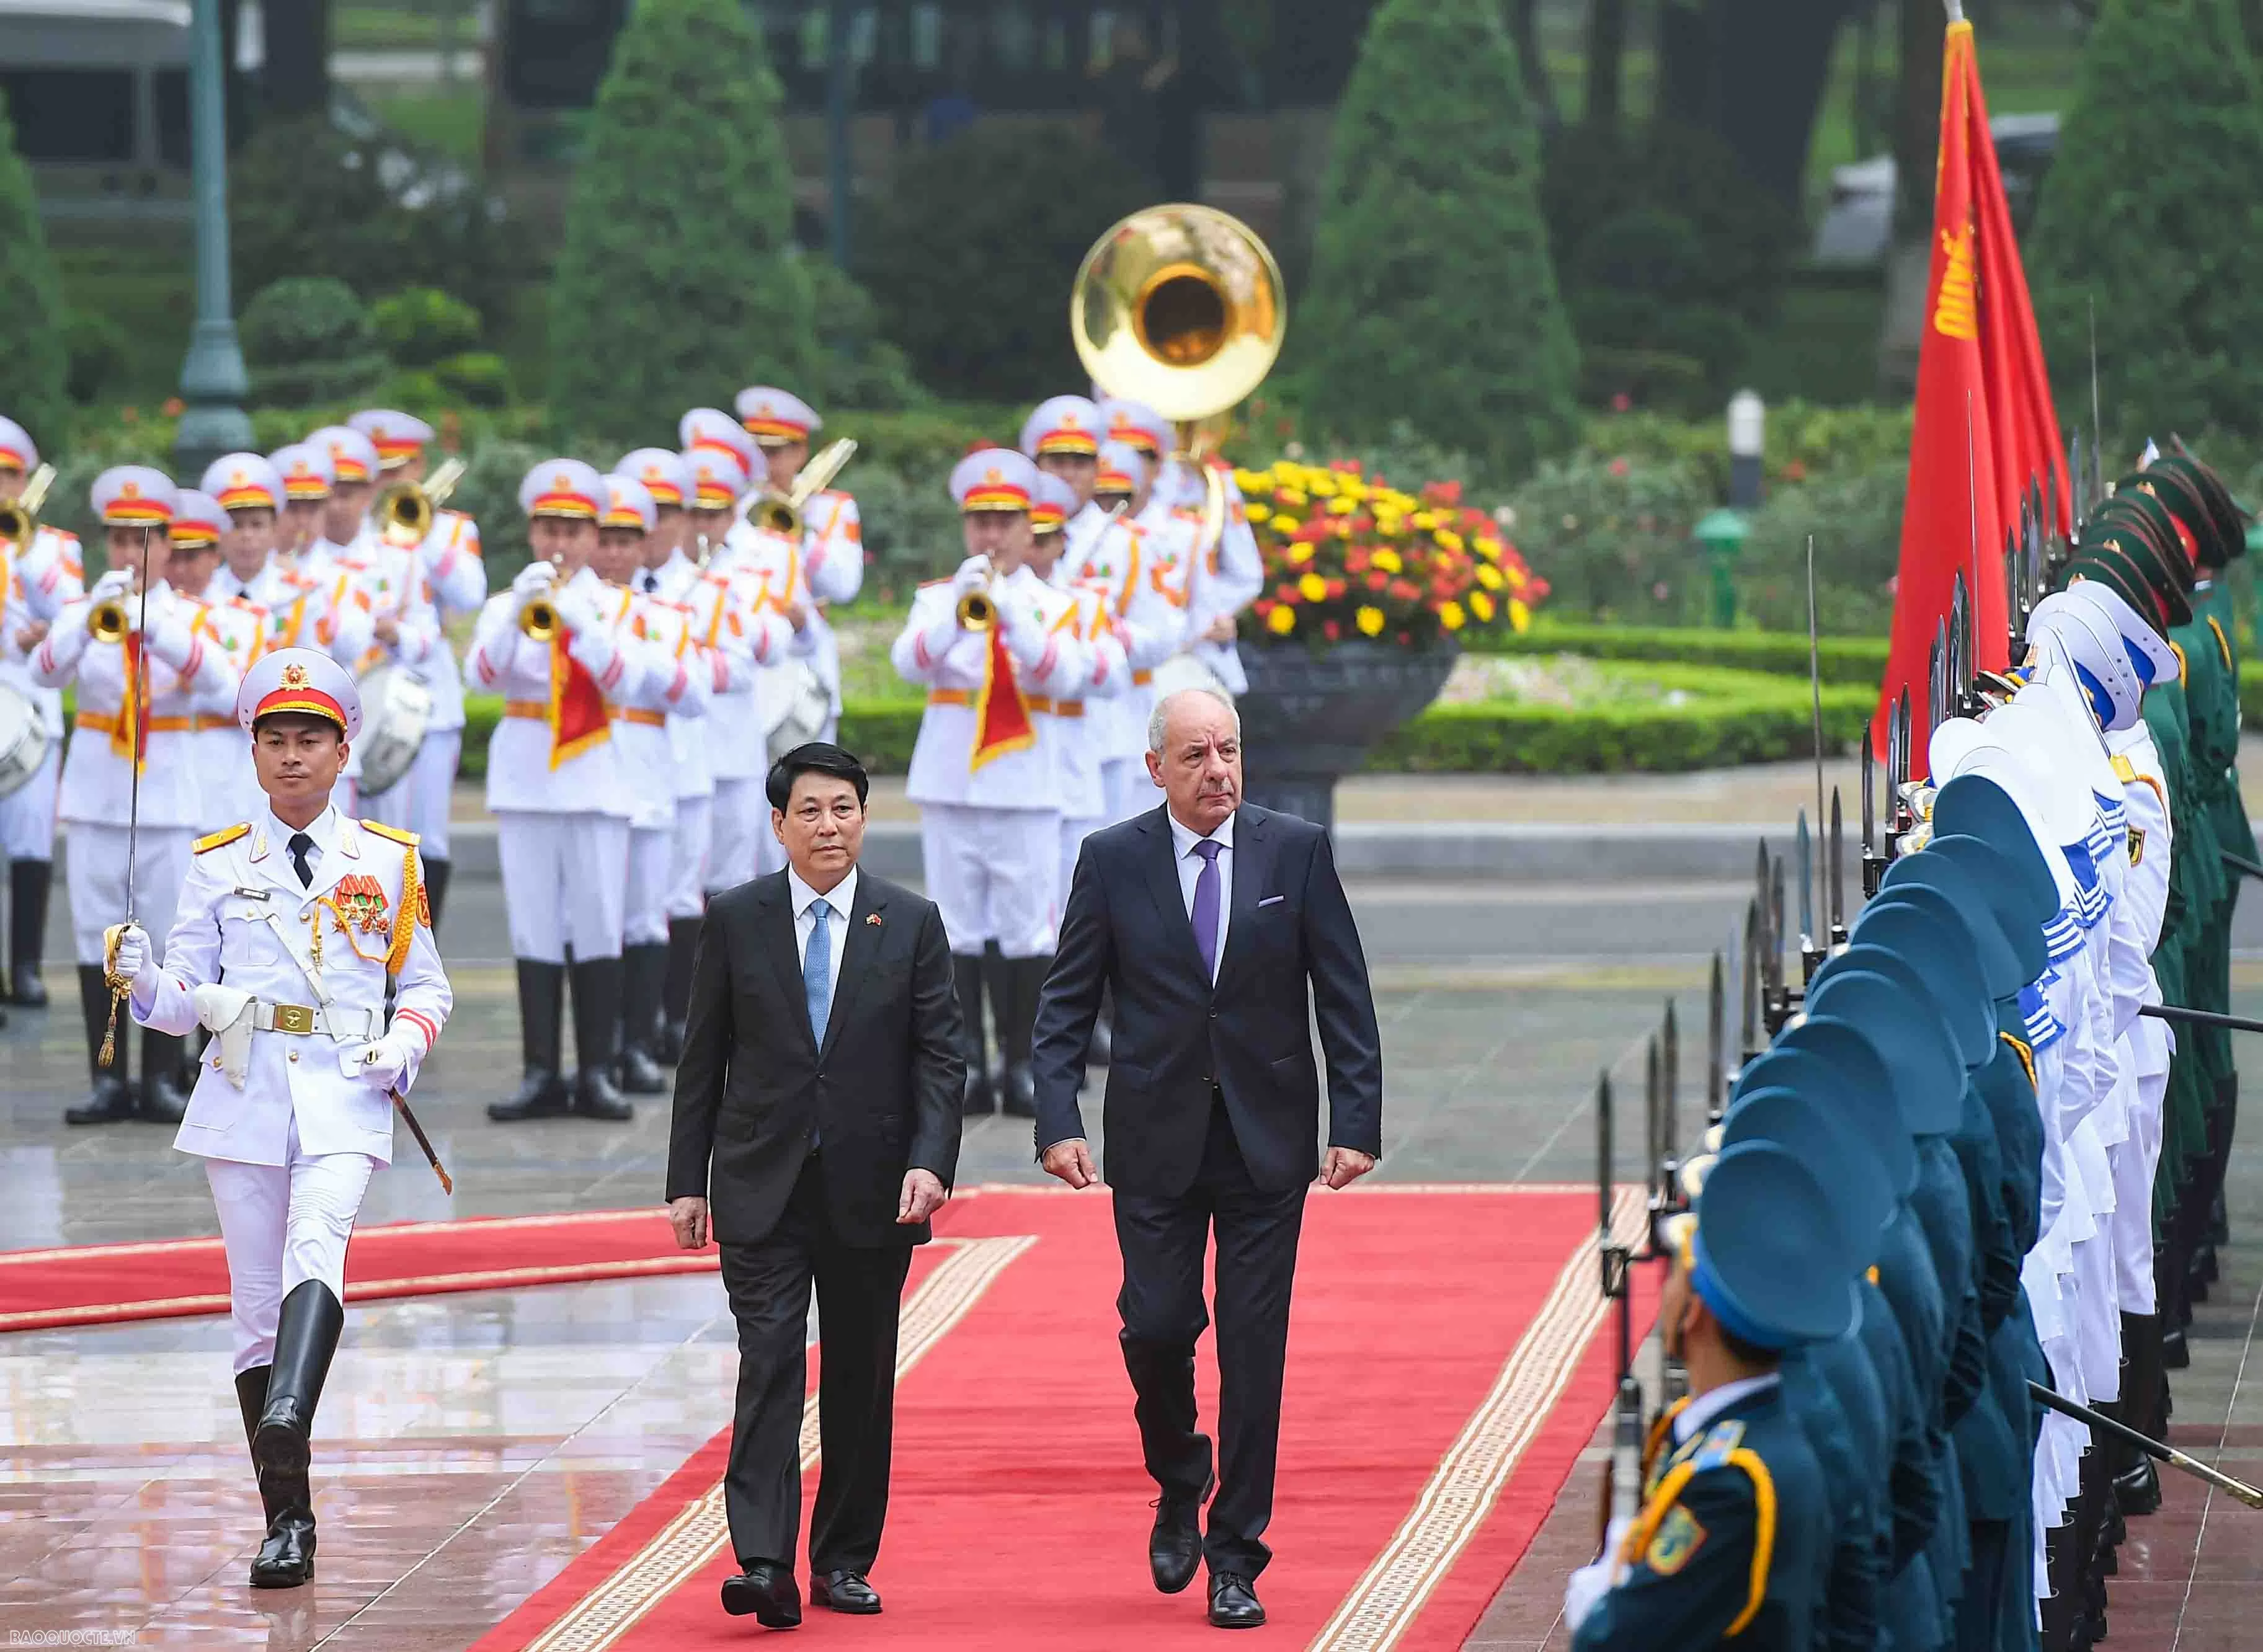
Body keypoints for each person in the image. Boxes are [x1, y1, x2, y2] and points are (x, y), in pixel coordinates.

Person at [1028, 685, 1384, 1629]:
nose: (1217, 769)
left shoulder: (1295, 850)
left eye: (1227, 750)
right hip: (1152, 1138)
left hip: (1267, 1142)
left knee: (1253, 1352)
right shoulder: (1111, 861)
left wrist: (1356, 1119)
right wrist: (1056, 1119)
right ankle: (1180, 1474)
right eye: (1194, 756)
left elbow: (1342, 992)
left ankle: (1236, 1555)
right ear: (1156, 770)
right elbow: (1065, 1003)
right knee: (1154, 1327)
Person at [104, 646, 451, 1589]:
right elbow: (181, 1003)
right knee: (254, 1311)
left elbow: (426, 985)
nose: (292, 756)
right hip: (245, 1090)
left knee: (317, 1245)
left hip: (345, 1087)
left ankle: (289, 1411)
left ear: (345, 751)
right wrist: (141, 980)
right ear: (253, 752)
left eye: (311, 740)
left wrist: (404, 1044)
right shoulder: (217, 865)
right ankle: (287, 1520)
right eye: (275, 740)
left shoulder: (386, 860)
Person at [665, 742, 965, 1628]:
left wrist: (931, 1159)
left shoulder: (909, 922)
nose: (828, 826)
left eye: (843, 809)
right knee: (768, 1365)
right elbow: (702, 1057)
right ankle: (763, 1561)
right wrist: (689, 1180)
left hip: (876, 1189)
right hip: (761, 1182)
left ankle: (841, 1560)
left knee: (862, 1377)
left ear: (863, 819)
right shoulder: (737, 918)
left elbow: (941, 1059)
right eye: (810, 811)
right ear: (778, 825)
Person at [1564, 1141, 1841, 1650]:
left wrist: (1599, 1594)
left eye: (1673, 1279)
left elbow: (1620, 1636)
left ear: (1694, 1312)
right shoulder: (1739, 1431)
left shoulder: (1732, 1480)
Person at [32, 468, 241, 1124]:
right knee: (96, 934)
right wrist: (90, 618)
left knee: (166, 936)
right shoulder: (82, 613)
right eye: (120, 541)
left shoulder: (191, 617)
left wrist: (158, 631)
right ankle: (105, 1079)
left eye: (144, 541)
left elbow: (224, 684)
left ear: (168, 547)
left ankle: (159, 1078)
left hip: (168, 797)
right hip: (97, 794)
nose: (131, 555)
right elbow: (44, 670)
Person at [891, 448, 1095, 1117]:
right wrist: (961, 608)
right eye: (979, 521)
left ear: (1026, 524)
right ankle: (968, 1063)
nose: (991, 535)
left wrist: (1009, 612)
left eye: (1004, 521)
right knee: (956, 931)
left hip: (1026, 789)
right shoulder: (937, 598)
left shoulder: (1053, 607)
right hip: (951, 785)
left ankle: (1025, 1064)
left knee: (1028, 932)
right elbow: (910, 664)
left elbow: (1062, 677)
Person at [471, 460, 661, 1123]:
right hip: (525, 783)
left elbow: (626, 682)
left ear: (591, 536)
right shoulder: (508, 603)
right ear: (531, 532)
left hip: (596, 783)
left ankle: (598, 1072)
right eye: (549, 528)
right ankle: (541, 1071)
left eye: (573, 531)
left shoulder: (616, 607)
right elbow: (484, 675)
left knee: (600, 927)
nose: (560, 543)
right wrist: (518, 615)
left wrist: (579, 623)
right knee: (535, 931)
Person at [350, 409, 487, 928]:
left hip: (428, 702)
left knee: (427, 833)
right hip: (367, 695)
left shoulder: (449, 530)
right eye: (380, 472)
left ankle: (420, 955)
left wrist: (421, 528)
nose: (390, 482)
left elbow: (470, 595)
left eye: (399, 469)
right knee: (368, 836)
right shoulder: (356, 533)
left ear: (419, 464)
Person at [0, 415, 83, 1008]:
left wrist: (24, 552)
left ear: (26, 479)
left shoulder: (56, 546)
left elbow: (73, 612)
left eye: (10, 475)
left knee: (31, 840)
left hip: (31, 708)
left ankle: (25, 966)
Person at [737, 386, 863, 742]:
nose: (764, 463)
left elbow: (844, 586)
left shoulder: (833, 509)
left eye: (775, 452)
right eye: (757, 451)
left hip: (806, 661)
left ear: (801, 452)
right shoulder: (736, 508)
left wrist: (800, 531)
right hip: (749, 654)